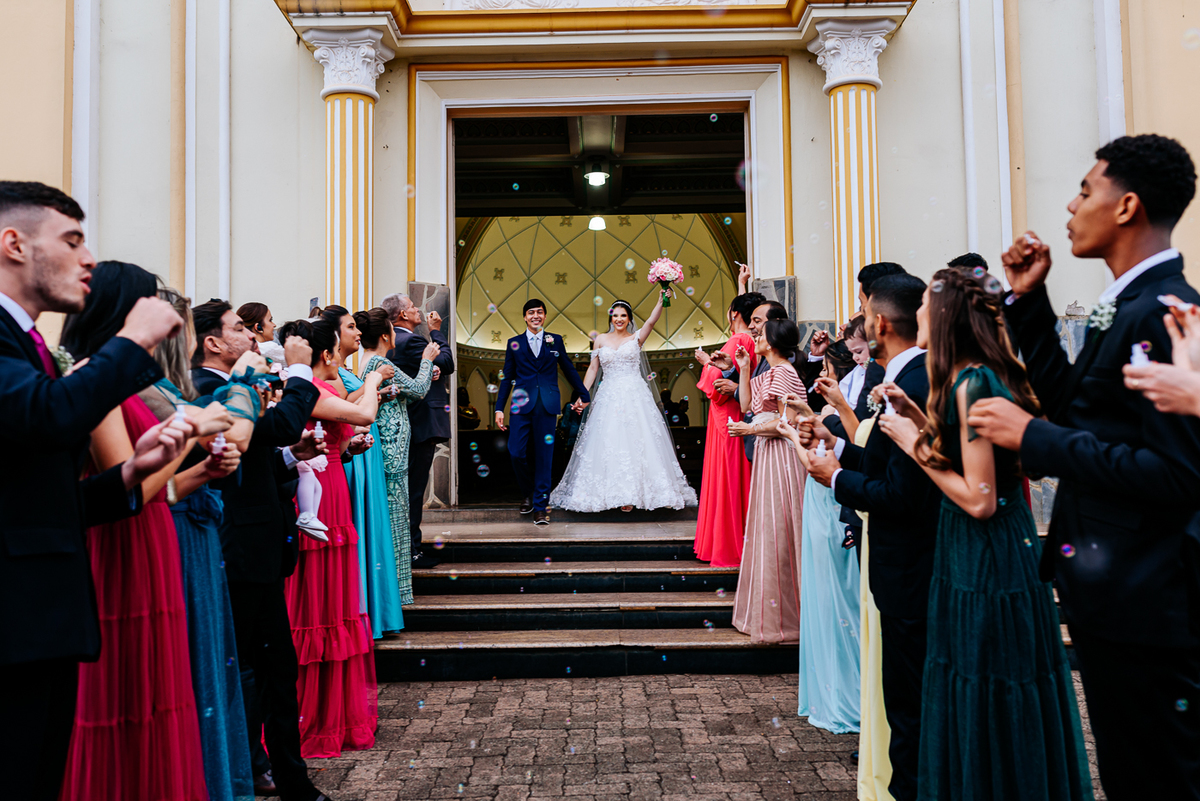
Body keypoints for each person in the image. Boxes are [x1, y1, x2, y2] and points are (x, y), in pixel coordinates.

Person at [970, 134, 1200, 799]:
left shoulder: (1163, 312)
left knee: (1159, 775)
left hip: (1147, 597)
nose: (1070, 207)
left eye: (1085, 190)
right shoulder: (1128, 304)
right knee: (1133, 771)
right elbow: (1080, 411)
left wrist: (1032, 437)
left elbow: (1178, 474)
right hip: (1118, 593)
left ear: (1126, 206)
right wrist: (1030, 302)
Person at [0, 182, 193, 801]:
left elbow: (42, 502)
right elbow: (46, 413)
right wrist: (132, 340)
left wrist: (132, 474)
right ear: (14, 244)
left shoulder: (27, 342)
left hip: (41, 621)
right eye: (73, 240)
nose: (88, 260)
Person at [876, 268, 1092, 800]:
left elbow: (980, 497)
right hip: (976, 551)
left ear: (944, 316)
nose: (918, 315)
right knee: (978, 682)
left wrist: (912, 444)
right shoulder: (968, 376)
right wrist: (920, 420)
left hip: (986, 556)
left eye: (926, 306)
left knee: (987, 682)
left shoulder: (973, 383)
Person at [58, 261, 235, 801]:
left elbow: (157, 490)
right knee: (127, 696)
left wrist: (201, 472)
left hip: (153, 540)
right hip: (121, 554)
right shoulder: (96, 378)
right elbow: (124, 486)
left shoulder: (126, 381)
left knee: (160, 692)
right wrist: (189, 434)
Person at [805, 273, 941, 801]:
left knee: (910, 714)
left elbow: (900, 494)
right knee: (904, 706)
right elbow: (888, 466)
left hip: (908, 569)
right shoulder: (906, 375)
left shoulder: (912, 382)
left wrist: (835, 480)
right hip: (903, 568)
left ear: (878, 323)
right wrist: (837, 449)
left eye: (862, 308)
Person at [191, 301, 331, 801]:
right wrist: (297, 366)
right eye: (236, 329)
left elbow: (260, 450)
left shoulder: (232, 386)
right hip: (241, 550)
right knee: (259, 670)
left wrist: (293, 457)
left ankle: (270, 770)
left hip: (258, 547)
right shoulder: (206, 389)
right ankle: (268, 772)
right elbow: (277, 426)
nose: (250, 336)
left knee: (270, 669)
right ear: (211, 342)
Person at [144, 287, 258, 801]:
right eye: (239, 327)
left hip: (200, 527)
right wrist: (243, 385)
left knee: (213, 662)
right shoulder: (164, 394)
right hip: (180, 537)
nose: (252, 334)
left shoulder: (172, 391)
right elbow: (238, 435)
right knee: (194, 664)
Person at [280, 316, 380, 758]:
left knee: (337, 598)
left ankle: (334, 710)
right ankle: (313, 714)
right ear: (327, 353)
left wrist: (350, 445)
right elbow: (364, 414)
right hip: (321, 499)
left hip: (335, 486)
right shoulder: (316, 392)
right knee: (316, 598)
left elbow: (341, 433)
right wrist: (375, 375)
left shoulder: (327, 390)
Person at [780, 338, 861, 734]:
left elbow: (817, 460)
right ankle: (839, 684)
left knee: (835, 596)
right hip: (823, 499)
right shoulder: (839, 409)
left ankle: (845, 691)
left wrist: (790, 435)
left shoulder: (846, 409)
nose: (823, 375)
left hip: (830, 499)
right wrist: (807, 414)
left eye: (828, 370)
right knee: (831, 595)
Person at [550, 296, 696, 514]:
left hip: (635, 396)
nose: (619, 319)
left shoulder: (637, 338)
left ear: (629, 319)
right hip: (608, 395)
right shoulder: (600, 340)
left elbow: (651, 322)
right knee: (609, 443)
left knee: (638, 441)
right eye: (615, 315)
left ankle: (640, 493)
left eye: (623, 316)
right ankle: (613, 493)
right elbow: (592, 369)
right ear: (611, 317)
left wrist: (660, 300)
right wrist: (582, 394)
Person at [727, 318, 807, 643]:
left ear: (772, 342)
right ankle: (773, 616)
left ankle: (789, 619)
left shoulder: (786, 372)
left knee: (780, 531)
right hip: (767, 454)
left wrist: (750, 430)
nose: (755, 337)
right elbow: (747, 407)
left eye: (760, 334)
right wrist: (744, 368)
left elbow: (789, 422)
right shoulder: (768, 372)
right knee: (767, 530)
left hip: (782, 458)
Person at [359, 308, 437, 607]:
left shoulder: (369, 361)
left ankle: (393, 591)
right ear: (384, 335)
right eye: (391, 330)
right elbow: (418, 389)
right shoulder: (380, 361)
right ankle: (396, 594)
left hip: (387, 443)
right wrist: (427, 361)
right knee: (397, 516)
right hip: (392, 447)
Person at [494, 298, 590, 522]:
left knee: (545, 457)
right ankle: (528, 492)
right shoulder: (514, 342)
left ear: (545, 316)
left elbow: (568, 368)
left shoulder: (554, 341)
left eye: (540, 312)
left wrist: (584, 395)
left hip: (547, 405)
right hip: (520, 405)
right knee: (516, 452)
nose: (535, 316)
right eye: (531, 312)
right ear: (525, 317)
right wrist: (499, 408)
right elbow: (507, 378)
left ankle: (540, 506)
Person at [382, 292, 454, 567]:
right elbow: (447, 363)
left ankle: (412, 546)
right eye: (412, 306)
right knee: (413, 489)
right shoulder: (411, 340)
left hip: (409, 422)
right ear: (402, 314)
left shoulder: (394, 341)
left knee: (410, 488)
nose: (417, 310)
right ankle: (411, 550)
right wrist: (436, 332)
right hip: (420, 422)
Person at [692, 293, 758, 567]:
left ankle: (728, 546)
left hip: (729, 419)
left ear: (733, 314)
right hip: (743, 412)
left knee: (729, 478)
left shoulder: (738, 340)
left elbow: (715, 386)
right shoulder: (754, 341)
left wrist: (706, 363)